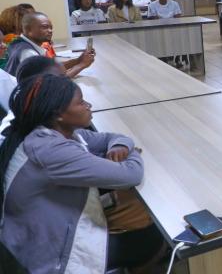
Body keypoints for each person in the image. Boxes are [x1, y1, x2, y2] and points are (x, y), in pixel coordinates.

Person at [0, 74, 159, 273]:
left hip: (36, 237)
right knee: (152, 238)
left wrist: (119, 146)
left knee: (131, 208)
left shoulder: (48, 131)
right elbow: (131, 175)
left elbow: (112, 137)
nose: (88, 105)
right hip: (51, 258)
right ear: (58, 113)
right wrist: (132, 152)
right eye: (81, 102)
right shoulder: (50, 149)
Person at [4, 13, 94, 78]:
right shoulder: (28, 53)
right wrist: (81, 65)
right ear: (28, 30)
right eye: (44, 27)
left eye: (51, 27)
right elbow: (52, 82)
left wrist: (78, 60)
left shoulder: (18, 43)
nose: (50, 31)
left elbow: (51, 68)